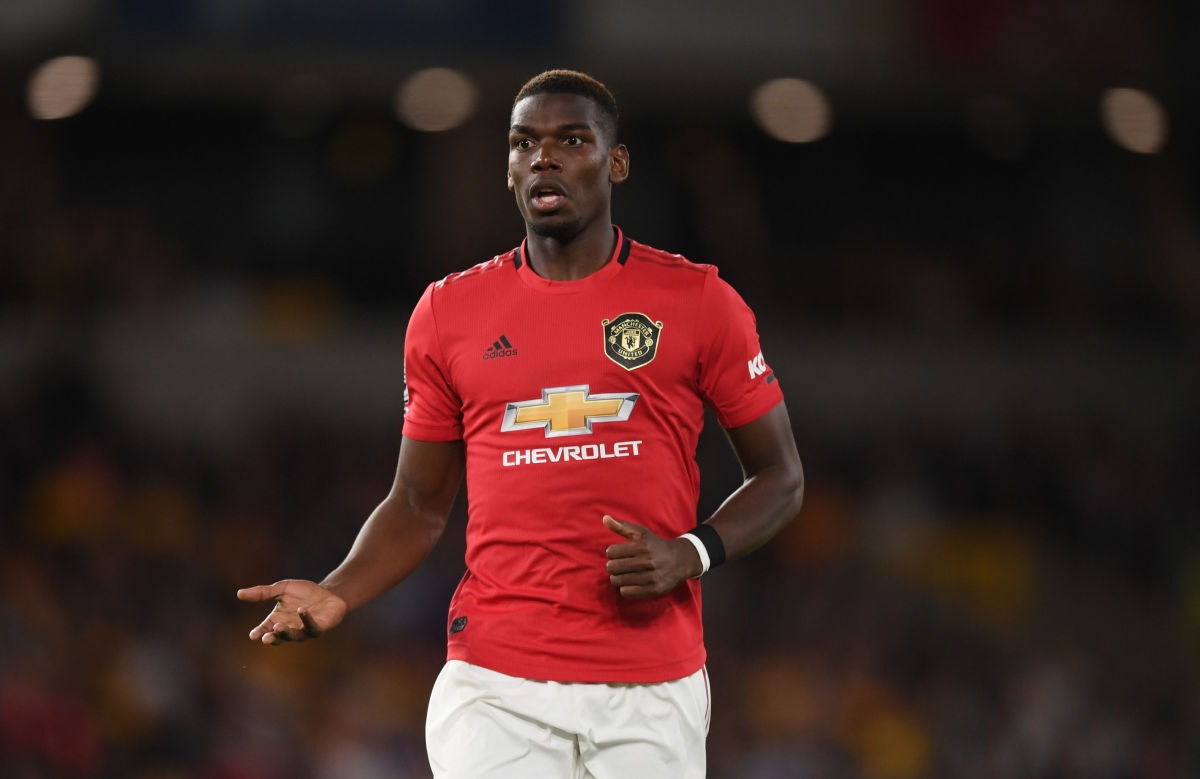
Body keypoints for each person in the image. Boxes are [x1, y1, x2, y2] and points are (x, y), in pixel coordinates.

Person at [238, 69, 804, 778]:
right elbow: (416, 502)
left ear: (616, 162)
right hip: (495, 683)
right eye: (523, 143)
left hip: (653, 682)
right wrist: (338, 589)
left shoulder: (698, 301)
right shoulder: (448, 314)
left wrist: (692, 552)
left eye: (571, 140)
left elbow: (780, 476)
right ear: (508, 168)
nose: (544, 158)